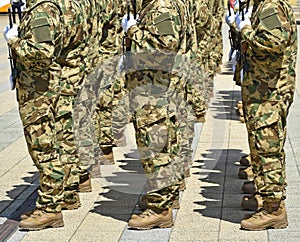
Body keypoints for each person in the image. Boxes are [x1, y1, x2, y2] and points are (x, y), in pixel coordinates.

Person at [3, 0, 98, 230]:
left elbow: (40, 53)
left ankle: (49, 209)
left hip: (38, 92)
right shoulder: (59, 5)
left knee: (43, 148)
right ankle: (66, 194)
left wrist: (13, 40)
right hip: (56, 84)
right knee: (61, 141)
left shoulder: (42, 12)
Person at [120, 0, 189, 230]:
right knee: (166, 145)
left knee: (155, 148)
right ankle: (166, 196)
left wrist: (133, 32)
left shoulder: (161, 7)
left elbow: (164, 47)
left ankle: (160, 209)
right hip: (157, 87)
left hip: (154, 90)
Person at [235, 0, 298, 230]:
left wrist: (245, 30)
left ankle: (273, 209)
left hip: (270, 92)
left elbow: (273, 41)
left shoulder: (271, 6)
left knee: (267, 148)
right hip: (263, 89)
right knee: (262, 147)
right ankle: (266, 194)